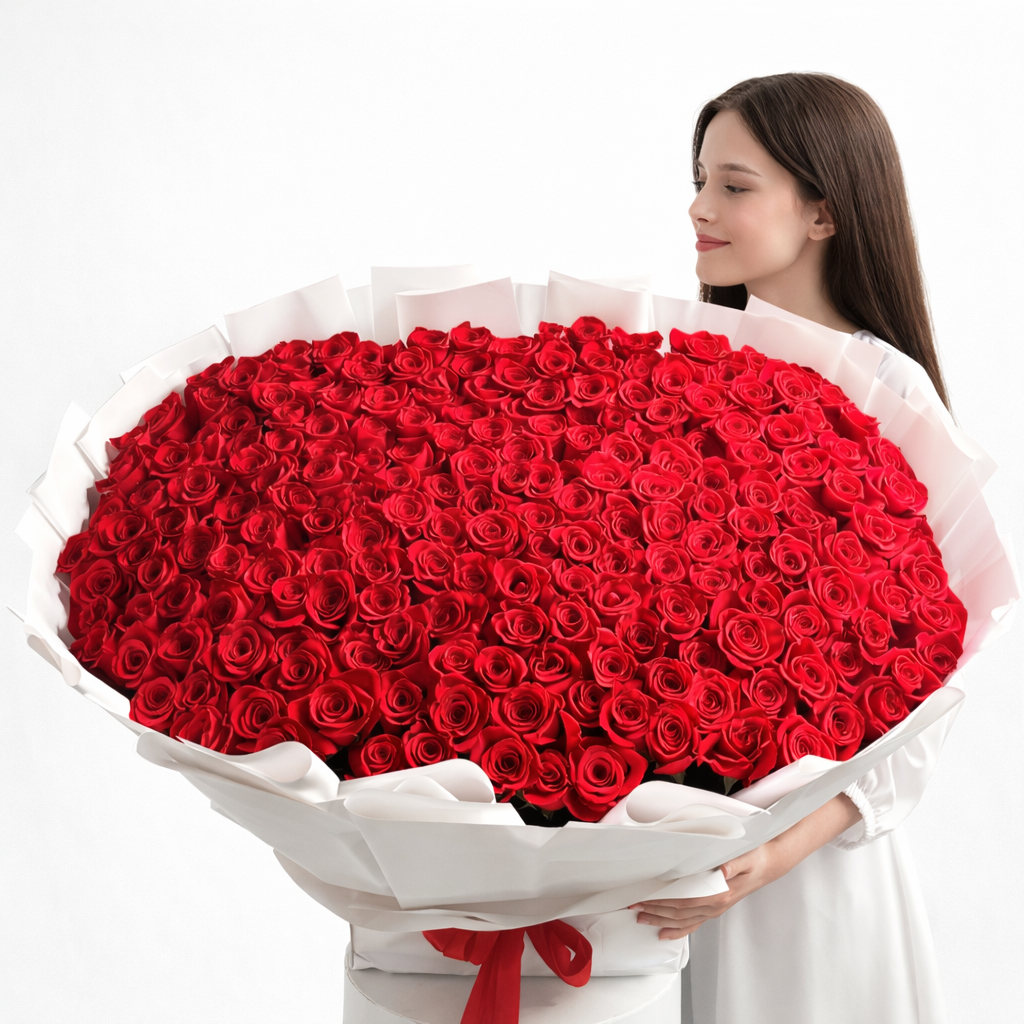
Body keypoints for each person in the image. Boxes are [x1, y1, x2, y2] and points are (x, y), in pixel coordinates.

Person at [630, 73, 958, 1024]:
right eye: (700, 180)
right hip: (674, 845)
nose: (698, 209)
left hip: (813, 870)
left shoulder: (884, 391)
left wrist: (776, 850)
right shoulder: (678, 371)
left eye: (734, 185)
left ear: (823, 211)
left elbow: (940, 678)